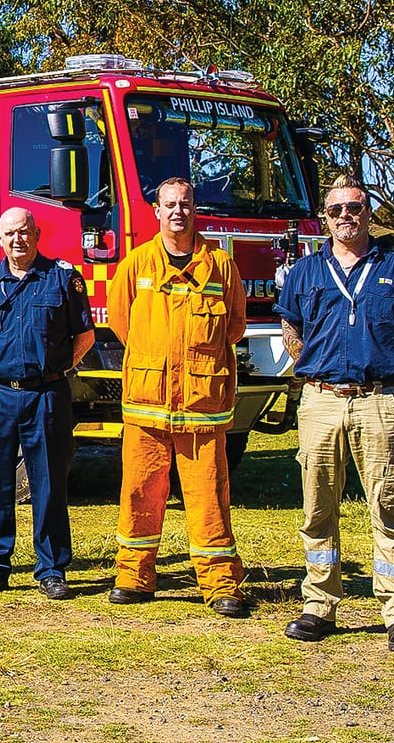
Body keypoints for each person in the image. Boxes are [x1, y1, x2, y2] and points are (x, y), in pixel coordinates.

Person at [276, 176, 394, 652]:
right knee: (316, 508)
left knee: (387, 508)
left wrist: (389, 379)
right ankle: (319, 605)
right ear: (325, 218)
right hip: (321, 401)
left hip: (379, 400)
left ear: (369, 213)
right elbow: (291, 329)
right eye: (336, 209)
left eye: (355, 206)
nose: (346, 214)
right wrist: (321, 375)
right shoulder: (305, 272)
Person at [106, 177, 250, 617]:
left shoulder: (220, 266)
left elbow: (235, 326)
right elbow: (120, 321)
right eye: (169, 204)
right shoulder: (136, 264)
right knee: (139, 491)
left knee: (209, 496)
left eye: (185, 204)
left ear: (194, 209)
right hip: (147, 404)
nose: (177, 212)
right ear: (156, 210)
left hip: (202, 406)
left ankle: (220, 582)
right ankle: (134, 575)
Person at [0, 206, 94, 599]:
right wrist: (2, 369)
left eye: (24, 232)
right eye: (9, 234)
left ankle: (51, 569)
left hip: (46, 394)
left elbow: (83, 336)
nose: (17, 239)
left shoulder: (62, 278)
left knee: (48, 481)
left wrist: (56, 369)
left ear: (36, 235)